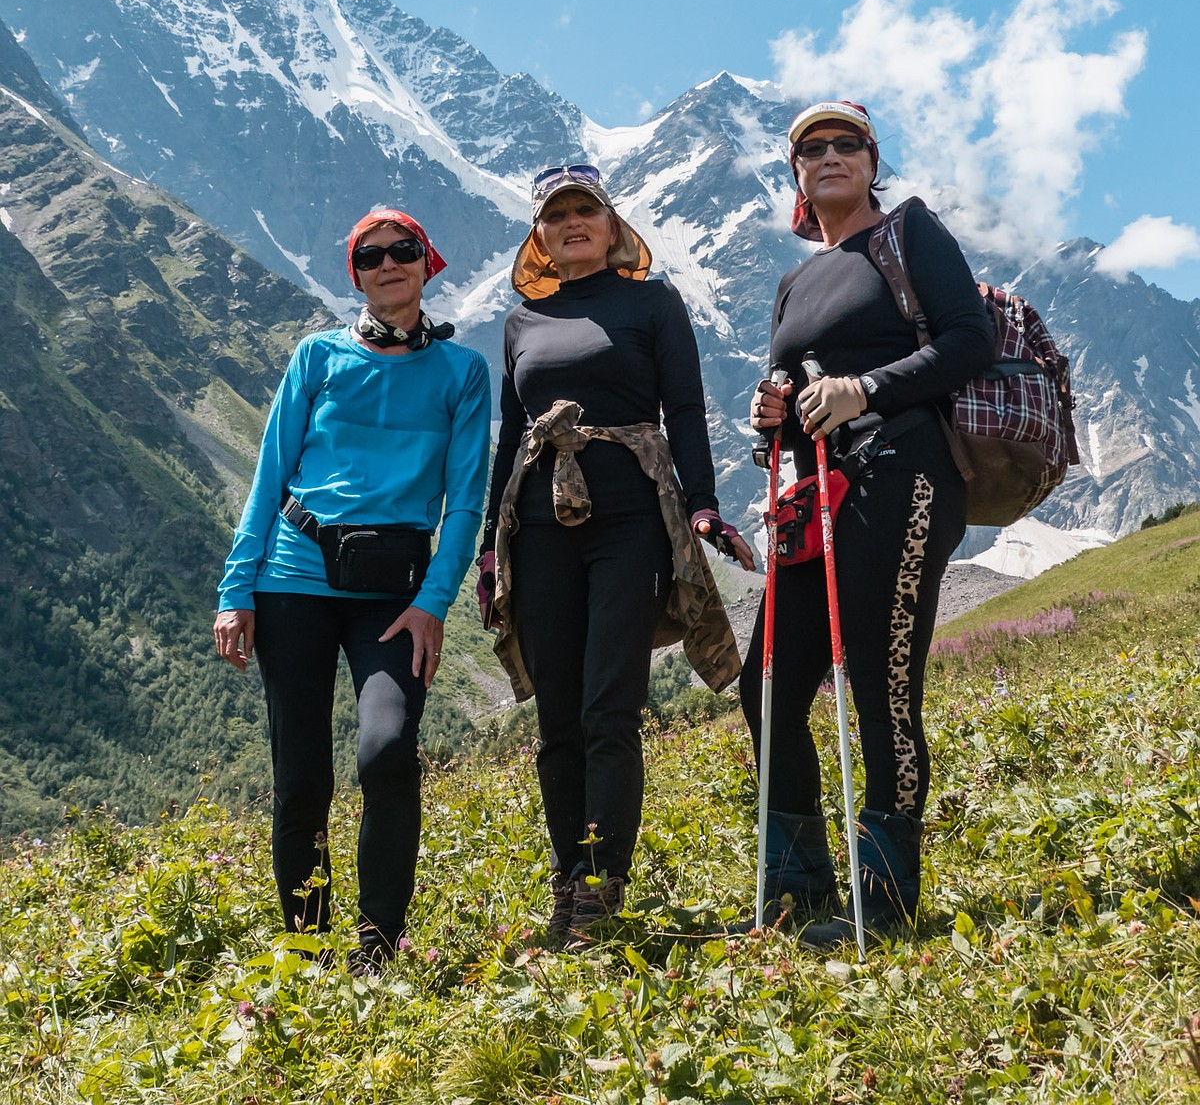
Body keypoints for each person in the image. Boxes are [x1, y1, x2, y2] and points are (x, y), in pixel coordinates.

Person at [477, 164, 755, 947]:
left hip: (632, 519)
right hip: (537, 524)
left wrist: (701, 504)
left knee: (609, 709)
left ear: (611, 226)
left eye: (585, 212)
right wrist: (488, 555)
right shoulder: (520, 321)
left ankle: (601, 890)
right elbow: (512, 439)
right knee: (557, 719)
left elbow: (687, 409)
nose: (571, 223)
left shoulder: (652, 303)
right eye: (556, 214)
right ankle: (567, 886)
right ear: (540, 235)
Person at [741, 101, 993, 945]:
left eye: (847, 143)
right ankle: (800, 878)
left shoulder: (910, 234)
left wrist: (867, 389)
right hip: (818, 492)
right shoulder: (794, 282)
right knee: (767, 682)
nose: (829, 155)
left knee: (882, 679)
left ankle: (883, 902)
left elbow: (970, 341)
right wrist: (769, 411)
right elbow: (782, 413)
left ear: (872, 161)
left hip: (905, 469)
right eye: (811, 149)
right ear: (798, 177)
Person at [213, 209, 490, 974]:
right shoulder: (316, 357)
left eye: (403, 251)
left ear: (427, 263)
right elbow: (269, 478)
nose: (388, 264)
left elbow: (465, 502)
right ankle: (306, 949)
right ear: (356, 275)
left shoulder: (462, 374)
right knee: (301, 772)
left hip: (394, 596)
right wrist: (237, 589)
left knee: (388, 751)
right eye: (370, 257)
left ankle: (375, 954)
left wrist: (434, 602)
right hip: (292, 583)